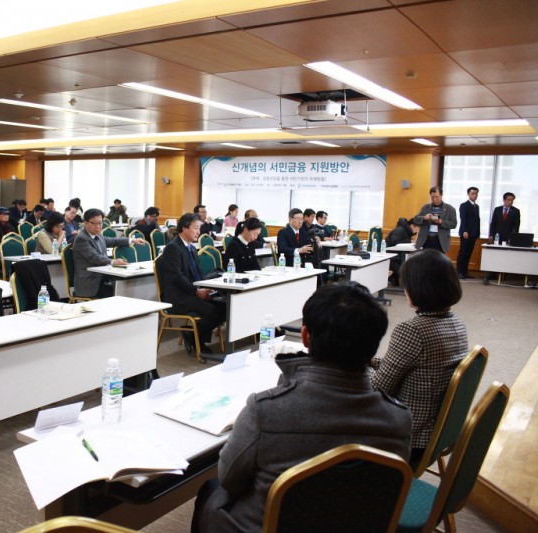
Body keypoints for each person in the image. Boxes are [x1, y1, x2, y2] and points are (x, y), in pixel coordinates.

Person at [193, 282, 411, 533]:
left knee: (211, 490)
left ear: (305, 337)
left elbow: (229, 479)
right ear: (374, 347)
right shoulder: (398, 419)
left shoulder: (265, 411)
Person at [370, 249, 466, 468]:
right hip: (436, 433)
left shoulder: (413, 330)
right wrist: (373, 361)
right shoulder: (457, 325)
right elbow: (418, 369)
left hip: (408, 439)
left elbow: (378, 388)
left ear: (418, 288)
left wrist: (352, 366)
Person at [157, 212, 226, 355]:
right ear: (184, 228)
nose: (199, 232)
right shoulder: (173, 248)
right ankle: (196, 340)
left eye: (199, 228)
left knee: (224, 306)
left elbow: (199, 274)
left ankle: (191, 334)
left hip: (192, 292)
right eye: (195, 228)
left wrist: (208, 288)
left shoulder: (192, 248)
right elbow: (176, 277)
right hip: (179, 297)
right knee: (211, 311)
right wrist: (196, 291)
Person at [72, 208, 143, 299]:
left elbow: (113, 240)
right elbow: (94, 257)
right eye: (94, 223)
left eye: (100, 223)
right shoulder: (81, 238)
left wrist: (132, 240)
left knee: (127, 287)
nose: (98, 226)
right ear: (85, 223)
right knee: (120, 292)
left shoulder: (98, 235)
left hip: (102, 278)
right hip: (90, 283)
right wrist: (113, 262)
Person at [414, 186, 457, 253]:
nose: (434, 199)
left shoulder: (450, 209)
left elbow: (453, 224)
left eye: (437, 197)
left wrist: (440, 222)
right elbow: (415, 220)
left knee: (438, 259)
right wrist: (424, 218)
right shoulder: (425, 207)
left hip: (440, 241)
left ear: (441, 195)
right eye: (432, 197)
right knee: (425, 259)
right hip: (426, 240)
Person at [385, 217, 417, 286]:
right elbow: (394, 241)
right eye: (417, 228)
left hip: (397, 256)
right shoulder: (400, 230)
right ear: (412, 225)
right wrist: (410, 241)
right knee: (403, 267)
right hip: (391, 257)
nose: (417, 231)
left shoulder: (406, 232)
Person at [457, 186, 480, 279]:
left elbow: (477, 220)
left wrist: (478, 233)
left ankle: (465, 272)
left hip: (473, 234)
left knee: (468, 253)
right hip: (465, 233)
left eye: (476, 194)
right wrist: (465, 230)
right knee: (463, 253)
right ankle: (459, 272)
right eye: (472, 193)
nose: (475, 195)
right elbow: (463, 219)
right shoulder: (464, 205)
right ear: (468, 194)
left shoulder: (476, 206)